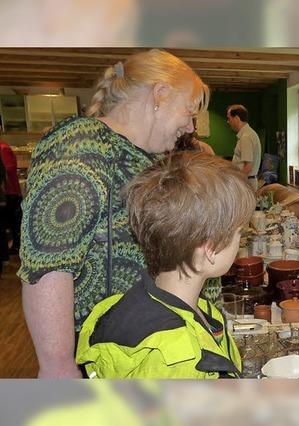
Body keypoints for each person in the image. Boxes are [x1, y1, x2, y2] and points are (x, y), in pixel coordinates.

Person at [18, 49, 209, 378]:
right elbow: (48, 262)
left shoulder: (142, 157)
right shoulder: (81, 144)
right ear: (160, 95)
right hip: (101, 357)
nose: (190, 125)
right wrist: (58, 364)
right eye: (189, 112)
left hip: (138, 352)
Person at [76, 152, 253, 378]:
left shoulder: (126, 305)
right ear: (211, 248)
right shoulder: (178, 358)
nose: (241, 242)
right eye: (240, 233)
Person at [226, 104, 262, 190]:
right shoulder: (247, 134)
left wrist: (236, 181)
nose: (228, 121)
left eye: (229, 118)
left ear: (237, 119)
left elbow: (248, 167)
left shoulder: (246, 137)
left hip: (246, 182)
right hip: (246, 181)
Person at [0, 138, 22, 254]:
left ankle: (15, 247)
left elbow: (8, 170)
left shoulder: (3, 148)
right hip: (9, 192)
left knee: (11, 223)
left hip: (9, 192)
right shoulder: (4, 147)